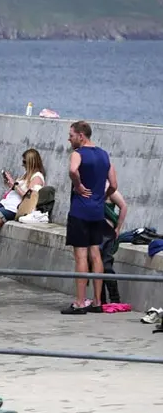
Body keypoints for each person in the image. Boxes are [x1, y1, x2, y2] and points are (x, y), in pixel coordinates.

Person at [63, 120, 117, 315]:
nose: (69, 139)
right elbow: (114, 184)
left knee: (81, 256)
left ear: (81, 136)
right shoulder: (104, 155)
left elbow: (72, 170)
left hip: (80, 211)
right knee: (96, 254)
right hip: (97, 211)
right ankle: (97, 301)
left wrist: (77, 185)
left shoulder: (78, 154)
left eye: (71, 135)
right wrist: (102, 196)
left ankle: (79, 302)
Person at [0, 149, 46, 226]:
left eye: (24, 162)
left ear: (31, 162)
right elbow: (17, 190)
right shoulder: (26, 174)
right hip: (6, 203)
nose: (22, 165)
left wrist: (14, 185)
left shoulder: (37, 177)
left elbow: (28, 198)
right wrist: (10, 184)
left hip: (14, 208)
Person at [101, 190, 128, 304]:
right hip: (94, 231)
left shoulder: (108, 188)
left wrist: (118, 228)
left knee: (106, 265)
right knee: (95, 266)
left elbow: (123, 206)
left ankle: (114, 298)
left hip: (106, 233)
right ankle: (100, 299)